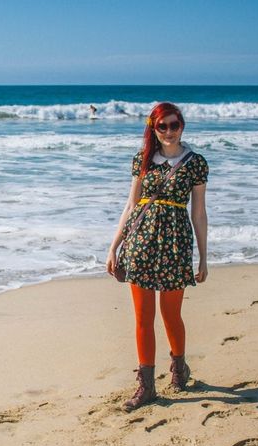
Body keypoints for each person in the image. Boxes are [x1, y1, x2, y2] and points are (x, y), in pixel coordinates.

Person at [105, 102, 209, 411]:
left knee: (171, 314)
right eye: (161, 126)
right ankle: (146, 386)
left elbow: (199, 213)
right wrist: (113, 246)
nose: (168, 131)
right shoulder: (143, 160)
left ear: (182, 126)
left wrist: (203, 257)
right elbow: (130, 206)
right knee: (143, 317)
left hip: (175, 246)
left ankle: (179, 368)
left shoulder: (195, 163)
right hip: (141, 244)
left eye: (173, 125)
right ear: (153, 128)